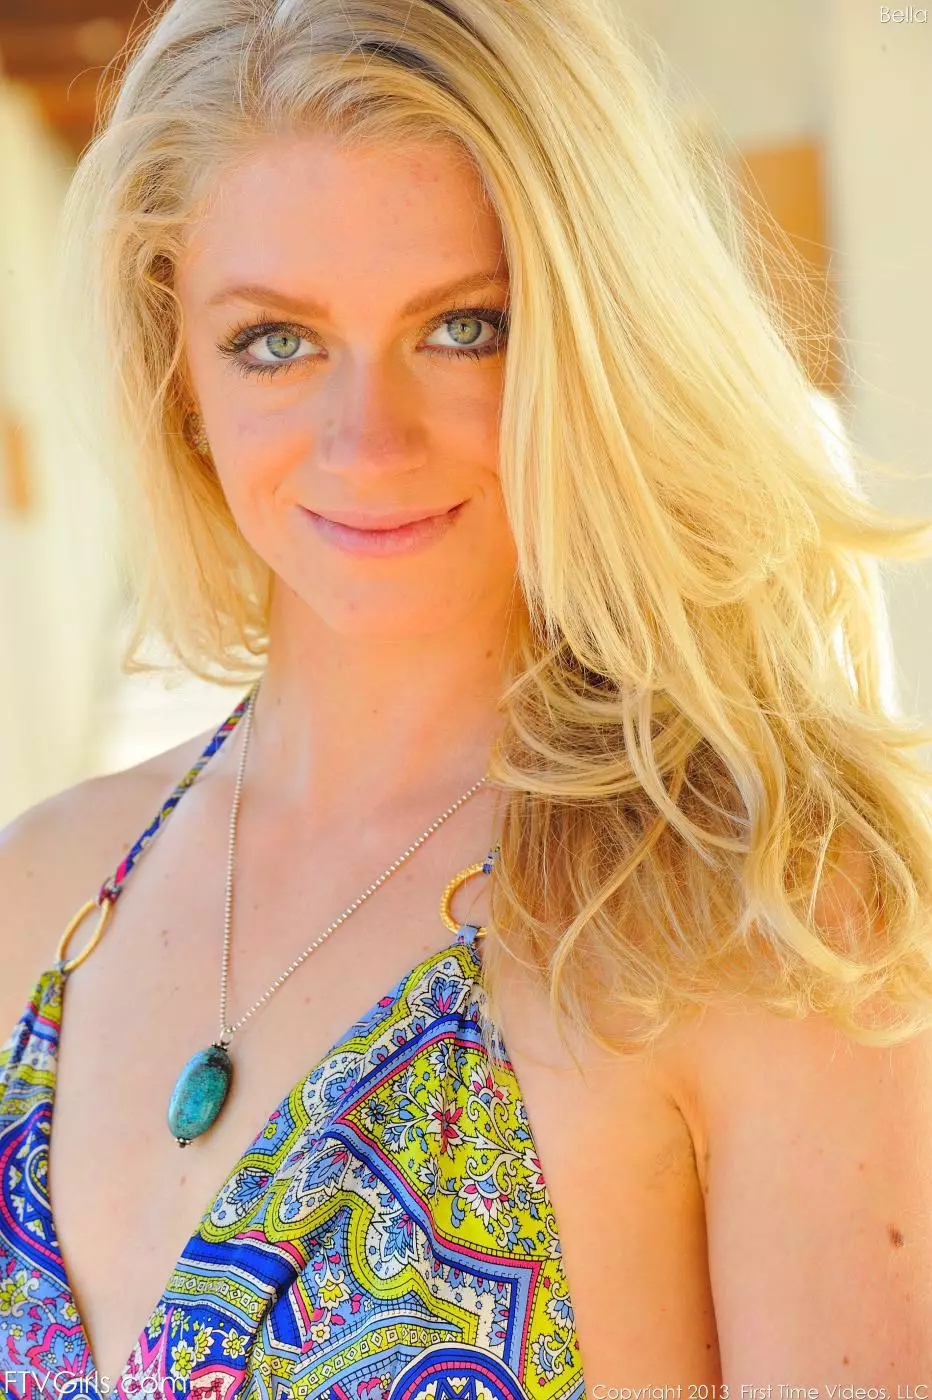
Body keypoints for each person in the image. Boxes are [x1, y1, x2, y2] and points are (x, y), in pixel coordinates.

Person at [2, 0, 932, 1394]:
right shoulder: (41, 896)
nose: (366, 442)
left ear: (597, 340)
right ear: (176, 365)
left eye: (464, 327)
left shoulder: (763, 914)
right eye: (274, 341)